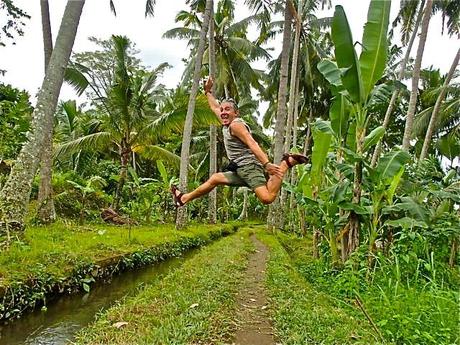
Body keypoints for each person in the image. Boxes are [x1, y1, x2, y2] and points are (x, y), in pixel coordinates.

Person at [171, 77, 309, 207]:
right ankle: (183, 198)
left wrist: (266, 164)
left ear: (236, 113)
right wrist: (207, 91)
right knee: (215, 178)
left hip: (249, 167)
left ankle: (286, 163)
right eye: (222, 110)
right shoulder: (226, 122)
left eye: (228, 109)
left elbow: (252, 143)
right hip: (240, 169)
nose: (223, 112)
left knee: (267, 198)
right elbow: (214, 107)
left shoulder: (235, 125)